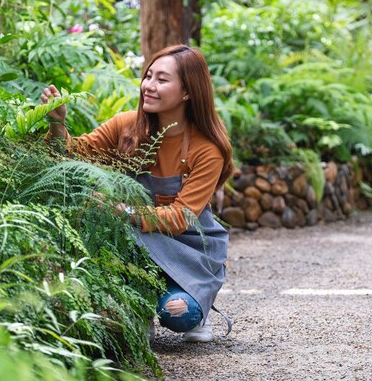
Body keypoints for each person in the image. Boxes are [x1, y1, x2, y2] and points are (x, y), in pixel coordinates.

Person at [41, 44, 234, 342]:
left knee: (179, 315)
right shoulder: (126, 127)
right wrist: (56, 122)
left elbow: (181, 217)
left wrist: (122, 210)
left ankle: (196, 304)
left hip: (189, 251)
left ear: (187, 92)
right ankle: (136, 309)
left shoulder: (206, 148)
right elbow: (73, 156)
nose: (149, 86)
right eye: (148, 76)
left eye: (162, 79)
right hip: (137, 246)